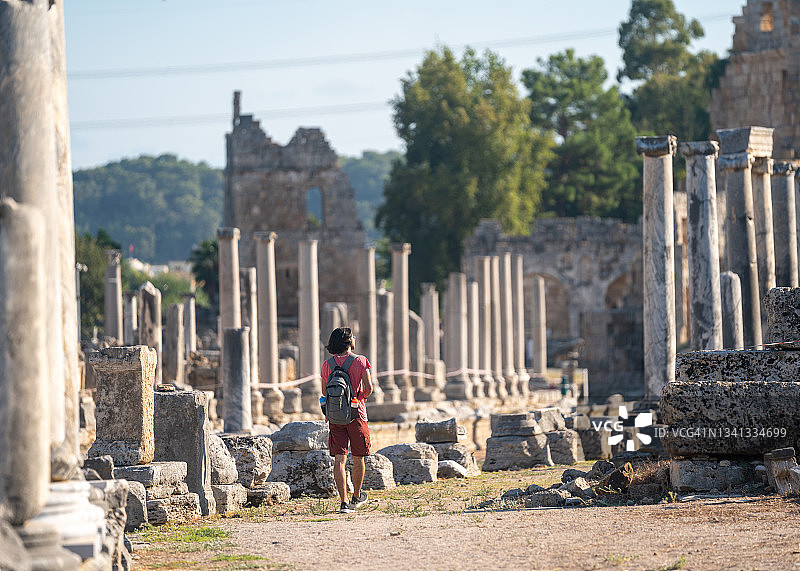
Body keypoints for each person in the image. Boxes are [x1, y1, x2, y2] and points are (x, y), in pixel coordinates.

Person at [321, 326, 373, 513]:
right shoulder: (360, 361)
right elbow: (368, 388)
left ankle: (343, 502)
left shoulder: (327, 364)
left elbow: (323, 391)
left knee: (339, 459)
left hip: (335, 416)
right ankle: (356, 496)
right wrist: (359, 399)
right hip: (356, 414)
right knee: (358, 457)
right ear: (349, 341)